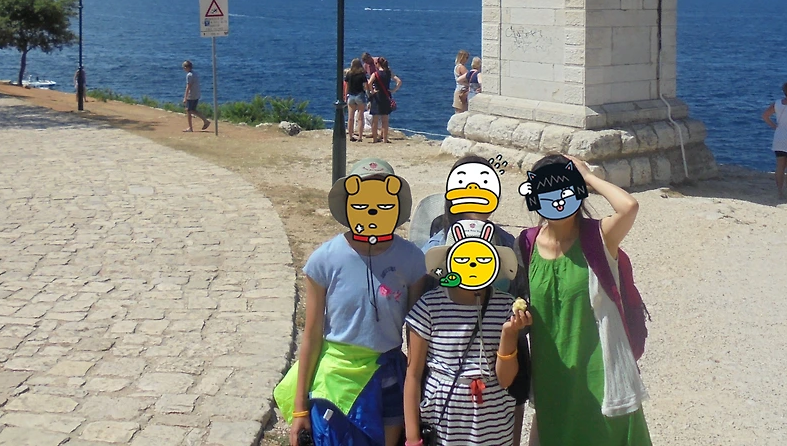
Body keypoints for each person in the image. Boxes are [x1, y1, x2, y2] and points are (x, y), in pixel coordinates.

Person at [276, 159, 426, 446]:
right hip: (335, 379)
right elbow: (310, 335)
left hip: (389, 376)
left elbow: (417, 334)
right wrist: (299, 408)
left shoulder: (412, 260)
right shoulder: (325, 259)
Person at [516, 154, 650, 446]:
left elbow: (629, 206)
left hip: (600, 373)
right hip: (552, 372)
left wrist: (588, 177)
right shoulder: (526, 244)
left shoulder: (599, 237)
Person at [404, 237, 527, 446]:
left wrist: (509, 333)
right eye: (462, 259)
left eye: (482, 259)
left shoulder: (506, 306)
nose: (472, 266)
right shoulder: (429, 305)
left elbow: (506, 380)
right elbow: (413, 374)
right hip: (444, 417)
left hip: (493, 419)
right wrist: (412, 438)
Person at [761, 82, 787, 200]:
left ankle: (780, 192)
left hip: (779, 136)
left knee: (780, 166)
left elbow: (765, 116)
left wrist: (775, 126)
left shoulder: (777, 103)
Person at [368, 58, 402, 144]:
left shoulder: (375, 74)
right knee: (385, 120)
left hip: (377, 96)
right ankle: (385, 139)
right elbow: (399, 81)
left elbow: (369, 83)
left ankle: (375, 139)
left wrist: (372, 91)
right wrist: (393, 90)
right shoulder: (388, 72)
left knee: (375, 119)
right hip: (386, 96)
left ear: (378, 64)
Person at [181, 60, 210, 132]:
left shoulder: (189, 75)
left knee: (188, 110)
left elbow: (188, 86)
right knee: (193, 110)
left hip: (191, 95)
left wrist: (185, 97)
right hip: (196, 94)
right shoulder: (195, 73)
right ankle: (205, 120)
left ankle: (190, 128)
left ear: (186, 67)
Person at [346, 58, 368, 143]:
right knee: (360, 117)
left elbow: (346, 86)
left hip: (351, 96)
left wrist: (345, 96)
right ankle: (360, 136)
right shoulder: (362, 75)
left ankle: (351, 135)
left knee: (350, 118)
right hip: (360, 95)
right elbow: (366, 86)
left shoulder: (349, 74)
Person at [453, 50, 471, 115]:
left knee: (458, 112)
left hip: (458, 91)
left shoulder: (456, 67)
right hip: (462, 92)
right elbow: (469, 77)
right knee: (462, 112)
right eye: (466, 58)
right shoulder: (461, 67)